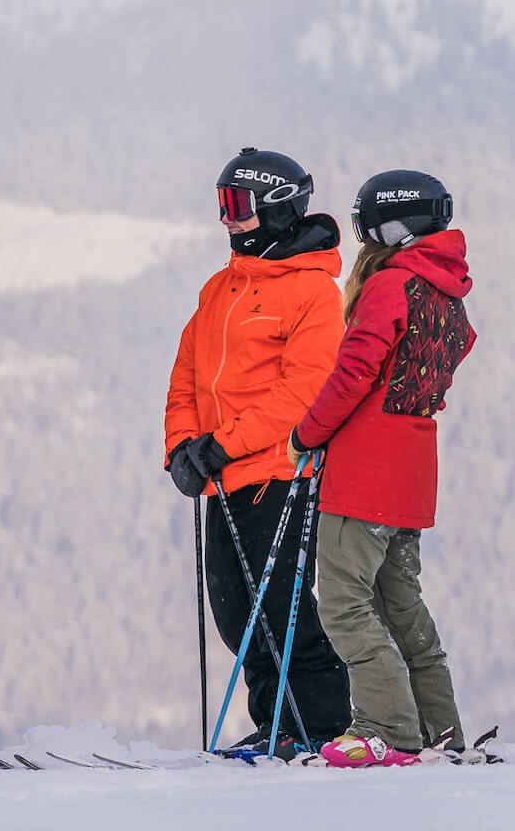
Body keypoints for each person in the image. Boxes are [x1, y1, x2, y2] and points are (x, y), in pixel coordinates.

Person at [166, 147, 353, 755]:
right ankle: (275, 724)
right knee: (235, 612)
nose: (227, 219)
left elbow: (303, 392)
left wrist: (220, 446)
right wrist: (180, 448)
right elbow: (186, 374)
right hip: (222, 476)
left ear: (277, 209)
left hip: (278, 473)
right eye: (222, 204)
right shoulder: (220, 288)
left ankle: (318, 727)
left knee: (280, 608)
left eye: (238, 205)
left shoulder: (313, 293)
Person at [290, 169, 476, 768]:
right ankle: (437, 730)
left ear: (392, 226)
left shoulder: (392, 286)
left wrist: (305, 434)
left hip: (364, 471)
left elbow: (354, 374)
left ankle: (386, 731)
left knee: (343, 602)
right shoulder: (446, 291)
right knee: (401, 603)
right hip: (413, 470)